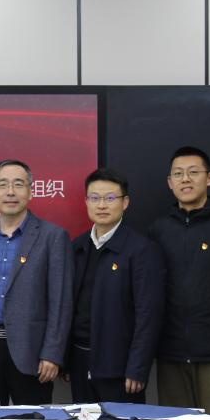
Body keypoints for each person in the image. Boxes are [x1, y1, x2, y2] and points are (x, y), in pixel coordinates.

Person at [0, 159, 73, 406]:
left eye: (18, 184)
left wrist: (52, 353)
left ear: (30, 191)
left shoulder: (53, 237)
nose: (10, 192)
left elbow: (60, 303)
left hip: (33, 354)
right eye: (3, 185)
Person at [148, 146, 210, 414]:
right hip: (171, 353)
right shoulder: (159, 229)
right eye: (178, 174)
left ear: (209, 178)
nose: (185, 179)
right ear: (170, 182)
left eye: (193, 172)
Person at [69, 167, 165, 405]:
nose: (102, 205)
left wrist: (138, 367)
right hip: (79, 363)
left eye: (110, 198)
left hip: (120, 368)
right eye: (95, 198)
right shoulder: (78, 247)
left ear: (125, 202)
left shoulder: (142, 250)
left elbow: (148, 315)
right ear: (86, 202)